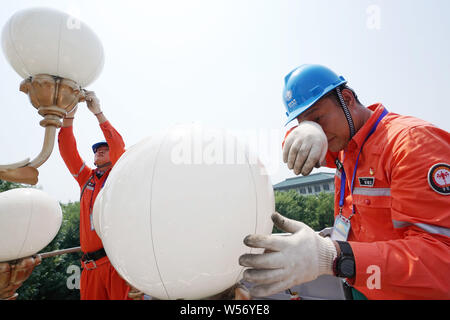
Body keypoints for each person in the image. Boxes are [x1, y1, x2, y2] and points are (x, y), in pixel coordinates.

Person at [239, 64, 450, 299]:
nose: (316, 131)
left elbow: (441, 259)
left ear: (347, 98)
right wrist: (306, 131)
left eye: (318, 118)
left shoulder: (411, 144)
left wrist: (336, 256)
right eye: (303, 123)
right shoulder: (344, 146)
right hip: (362, 285)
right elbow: (296, 148)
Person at [58, 91, 131, 300]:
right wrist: (69, 116)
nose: (99, 150)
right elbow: (67, 150)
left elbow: (118, 146)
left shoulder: (119, 173)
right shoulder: (86, 178)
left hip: (114, 264)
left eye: (104, 148)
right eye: (96, 149)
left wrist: (98, 113)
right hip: (89, 268)